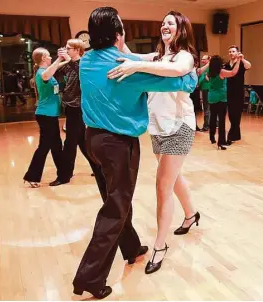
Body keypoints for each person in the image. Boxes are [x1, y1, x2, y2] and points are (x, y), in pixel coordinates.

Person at [72, 7, 197, 299]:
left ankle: (131, 247)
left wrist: (138, 61)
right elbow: (179, 80)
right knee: (115, 207)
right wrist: (190, 78)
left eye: (170, 23)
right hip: (118, 144)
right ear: (118, 35)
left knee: (116, 197)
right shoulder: (127, 67)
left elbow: (145, 60)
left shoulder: (87, 61)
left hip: (93, 141)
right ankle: (89, 279)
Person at [108, 10, 200, 275]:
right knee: (173, 177)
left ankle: (160, 245)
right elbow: (129, 55)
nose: (164, 26)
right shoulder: (157, 56)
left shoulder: (185, 56)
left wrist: (137, 66)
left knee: (162, 186)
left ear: (181, 29)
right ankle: (191, 214)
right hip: (158, 128)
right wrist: (119, 31)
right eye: (162, 24)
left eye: (170, 23)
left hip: (179, 127)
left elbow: (177, 70)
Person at [49, 39, 97, 186]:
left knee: (70, 143)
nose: (66, 49)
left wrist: (69, 60)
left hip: (77, 109)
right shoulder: (69, 65)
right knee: (82, 142)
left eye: (69, 48)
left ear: (77, 50)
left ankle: (64, 176)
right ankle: (99, 168)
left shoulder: (83, 64)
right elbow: (54, 72)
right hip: (70, 108)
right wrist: (59, 59)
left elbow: (82, 74)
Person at [23, 48, 70, 187]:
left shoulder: (47, 71)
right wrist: (60, 59)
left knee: (56, 146)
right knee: (44, 146)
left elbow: (54, 68)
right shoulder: (42, 73)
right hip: (45, 115)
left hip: (50, 115)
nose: (51, 58)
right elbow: (47, 74)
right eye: (49, 56)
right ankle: (32, 176)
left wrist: (66, 60)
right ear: (43, 58)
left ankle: (63, 174)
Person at [206, 55, 242, 150]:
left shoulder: (209, 72)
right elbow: (233, 72)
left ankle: (212, 137)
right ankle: (221, 142)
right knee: (221, 121)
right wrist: (238, 61)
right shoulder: (221, 72)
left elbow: (207, 79)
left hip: (211, 97)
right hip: (221, 98)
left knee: (212, 118)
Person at [224, 45, 251, 144]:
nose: (231, 53)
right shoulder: (226, 65)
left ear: (237, 52)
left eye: (233, 51)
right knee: (231, 115)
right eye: (230, 51)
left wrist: (242, 59)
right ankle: (236, 135)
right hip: (229, 92)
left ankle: (231, 136)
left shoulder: (241, 63)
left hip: (239, 92)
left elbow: (249, 66)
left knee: (237, 115)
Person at [198, 55, 211, 131]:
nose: (202, 60)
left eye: (204, 59)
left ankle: (206, 126)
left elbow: (210, 79)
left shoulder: (210, 68)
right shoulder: (204, 68)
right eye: (202, 59)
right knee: (207, 108)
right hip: (204, 89)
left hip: (207, 89)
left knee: (207, 108)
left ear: (209, 60)